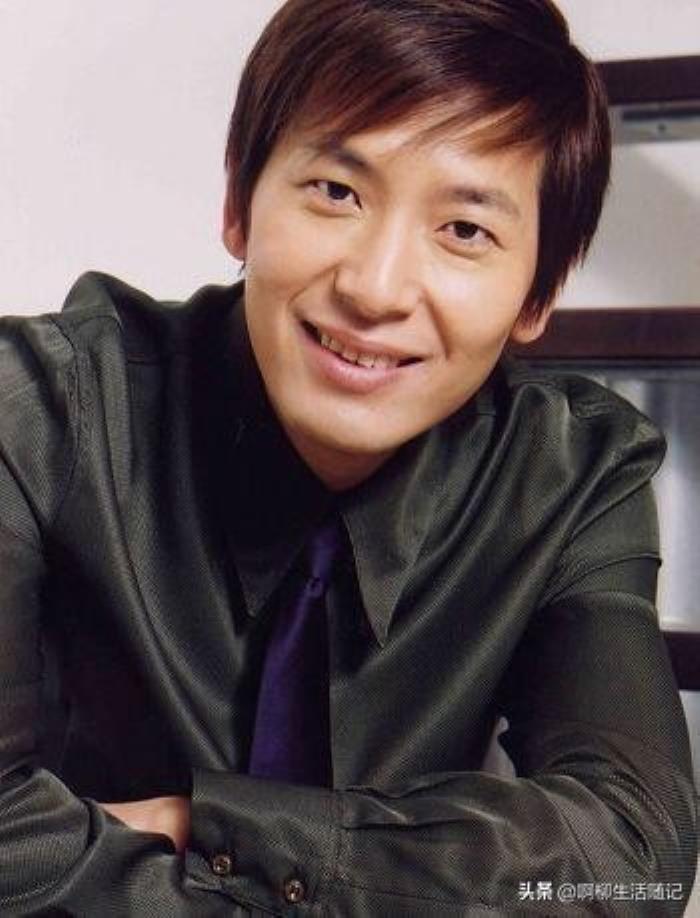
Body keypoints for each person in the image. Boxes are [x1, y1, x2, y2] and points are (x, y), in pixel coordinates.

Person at [0, 0, 696, 914]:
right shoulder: (40, 410)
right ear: (239, 204)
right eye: (337, 191)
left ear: (538, 296)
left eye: (465, 231)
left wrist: (212, 827)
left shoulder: (572, 475)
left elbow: (634, 860)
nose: (374, 289)